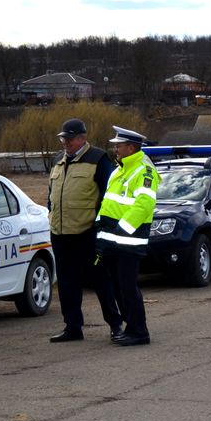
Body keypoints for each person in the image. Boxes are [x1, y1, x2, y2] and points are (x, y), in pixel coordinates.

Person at [48, 118, 121, 343]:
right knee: (67, 284)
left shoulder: (99, 159)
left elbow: (108, 195)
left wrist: (100, 226)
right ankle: (73, 327)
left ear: (82, 138)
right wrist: (51, 215)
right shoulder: (58, 160)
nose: (65, 143)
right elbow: (52, 194)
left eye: (69, 139)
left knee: (101, 281)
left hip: (87, 233)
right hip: (61, 233)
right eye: (63, 139)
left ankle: (116, 325)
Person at [96, 126, 160, 347]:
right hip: (112, 241)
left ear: (131, 147)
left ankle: (139, 332)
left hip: (128, 242)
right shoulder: (119, 170)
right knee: (119, 287)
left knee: (128, 287)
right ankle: (130, 328)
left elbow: (144, 205)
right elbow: (109, 203)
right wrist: (100, 228)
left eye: (119, 145)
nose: (115, 148)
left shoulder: (144, 171)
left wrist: (121, 229)